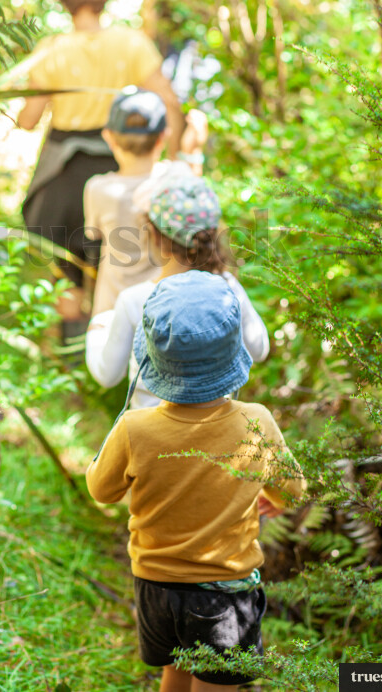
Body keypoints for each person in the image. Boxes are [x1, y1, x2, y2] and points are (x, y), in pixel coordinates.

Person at [86, 271, 306, 692]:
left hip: (154, 588)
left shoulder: (135, 428)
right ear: (231, 354)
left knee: (176, 668)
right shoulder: (255, 422)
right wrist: (271, 496)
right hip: (223, 592)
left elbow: (102, 490)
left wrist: (97, 462)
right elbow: (293, 488)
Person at [0, 0, 183, 330]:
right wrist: (173, 158)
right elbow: (168, 100)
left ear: (64, 3)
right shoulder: (131, 43)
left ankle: (75, 360)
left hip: (62, 171)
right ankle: (123, 349)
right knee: (123, 262)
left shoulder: (52, 50)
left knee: (64, 269)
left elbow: (29, 119)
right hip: (116, 164)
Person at [86, 176, 269, 408]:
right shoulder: (227, 288)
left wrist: (96, 332)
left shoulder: (134, 300)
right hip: (212, 432)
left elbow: (108, 375)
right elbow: (259, 349)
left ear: (154, 236)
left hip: (153, 436)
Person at [84, 88, 208, 315]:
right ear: (163, 137)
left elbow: (94, 234)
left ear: (109, 138)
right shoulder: (177, 176)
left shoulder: (98, 188)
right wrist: (195, 147)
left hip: (111, 312)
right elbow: (194, 195)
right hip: (162, 311)